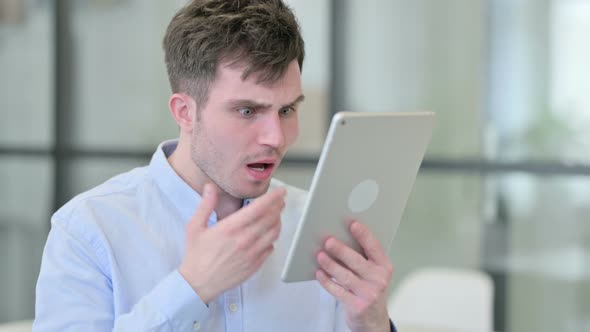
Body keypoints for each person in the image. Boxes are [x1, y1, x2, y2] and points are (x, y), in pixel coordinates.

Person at [33, 0, 396, 331]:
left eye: (287, 110)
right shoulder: (89, 230)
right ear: (185, 112)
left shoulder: (318, 228)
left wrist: (374, 323)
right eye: (247, 111)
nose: (275, 137)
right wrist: (192, 286)